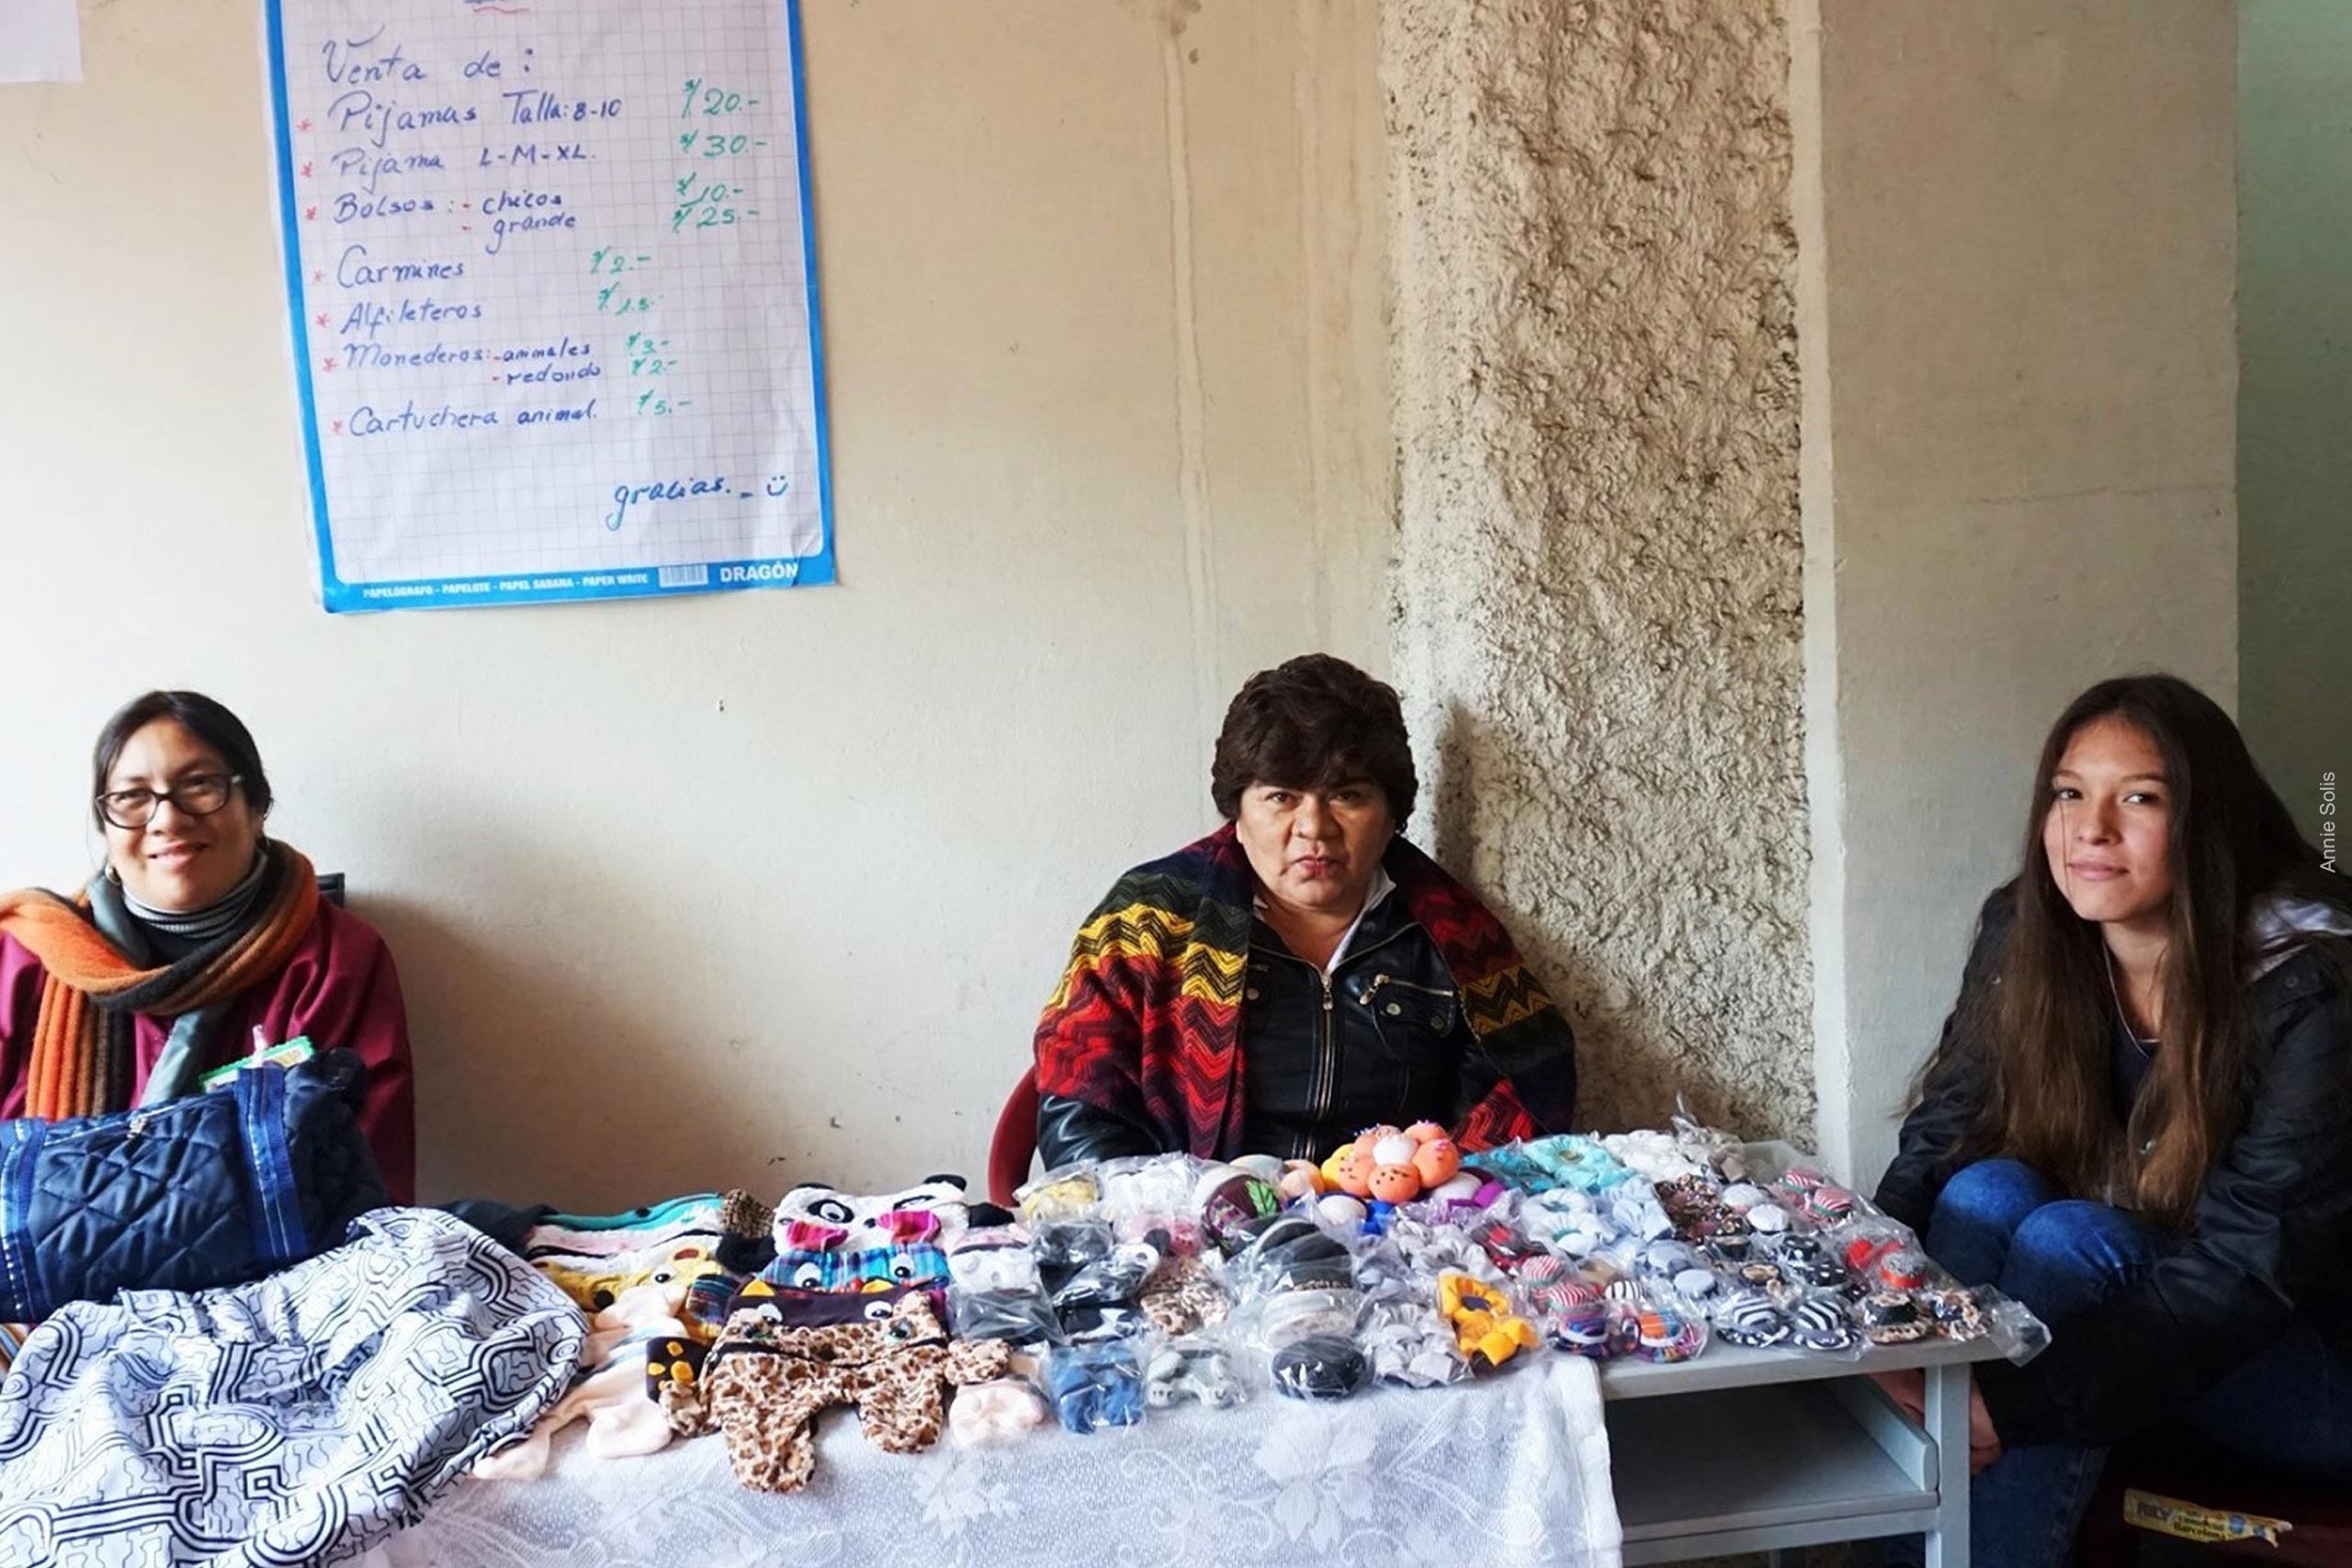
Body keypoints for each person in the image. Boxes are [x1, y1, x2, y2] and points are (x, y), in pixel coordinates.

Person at [1873, 673, 2352, 1566]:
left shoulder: (2314, 982)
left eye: (2137, 798)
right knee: (1984, 1188)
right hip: (2147, 1339)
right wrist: (1867, 1318)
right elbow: (1943, 1135)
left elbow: (2251, 1272)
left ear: (2209, 820)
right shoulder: (2031, 931)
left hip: (2311, 1370)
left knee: (2068, 1239)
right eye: (2068, 793)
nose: (2089, 830)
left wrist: (1996, 1408)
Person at [1033, 654, 1578, 1169]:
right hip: (1204, 1232)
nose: (1314, 828)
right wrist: (1170, 1216)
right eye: (1281, 797)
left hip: (1400, 1233)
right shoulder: (1147, 924)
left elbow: (1523, 1096)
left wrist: (1434, 1197)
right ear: (1238, 815)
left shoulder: (1455, 938)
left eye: (1347, 796)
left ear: (1391, 816)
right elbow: (1080, 1108)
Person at [0, 692, 416, 1202]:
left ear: (257, 805)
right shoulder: (25, 956)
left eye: (198, 785)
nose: (166, 820)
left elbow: (361, 1189)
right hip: (40, 1274)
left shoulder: (333, 961)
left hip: (271, 1278)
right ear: (106, 823)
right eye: (132, 797)